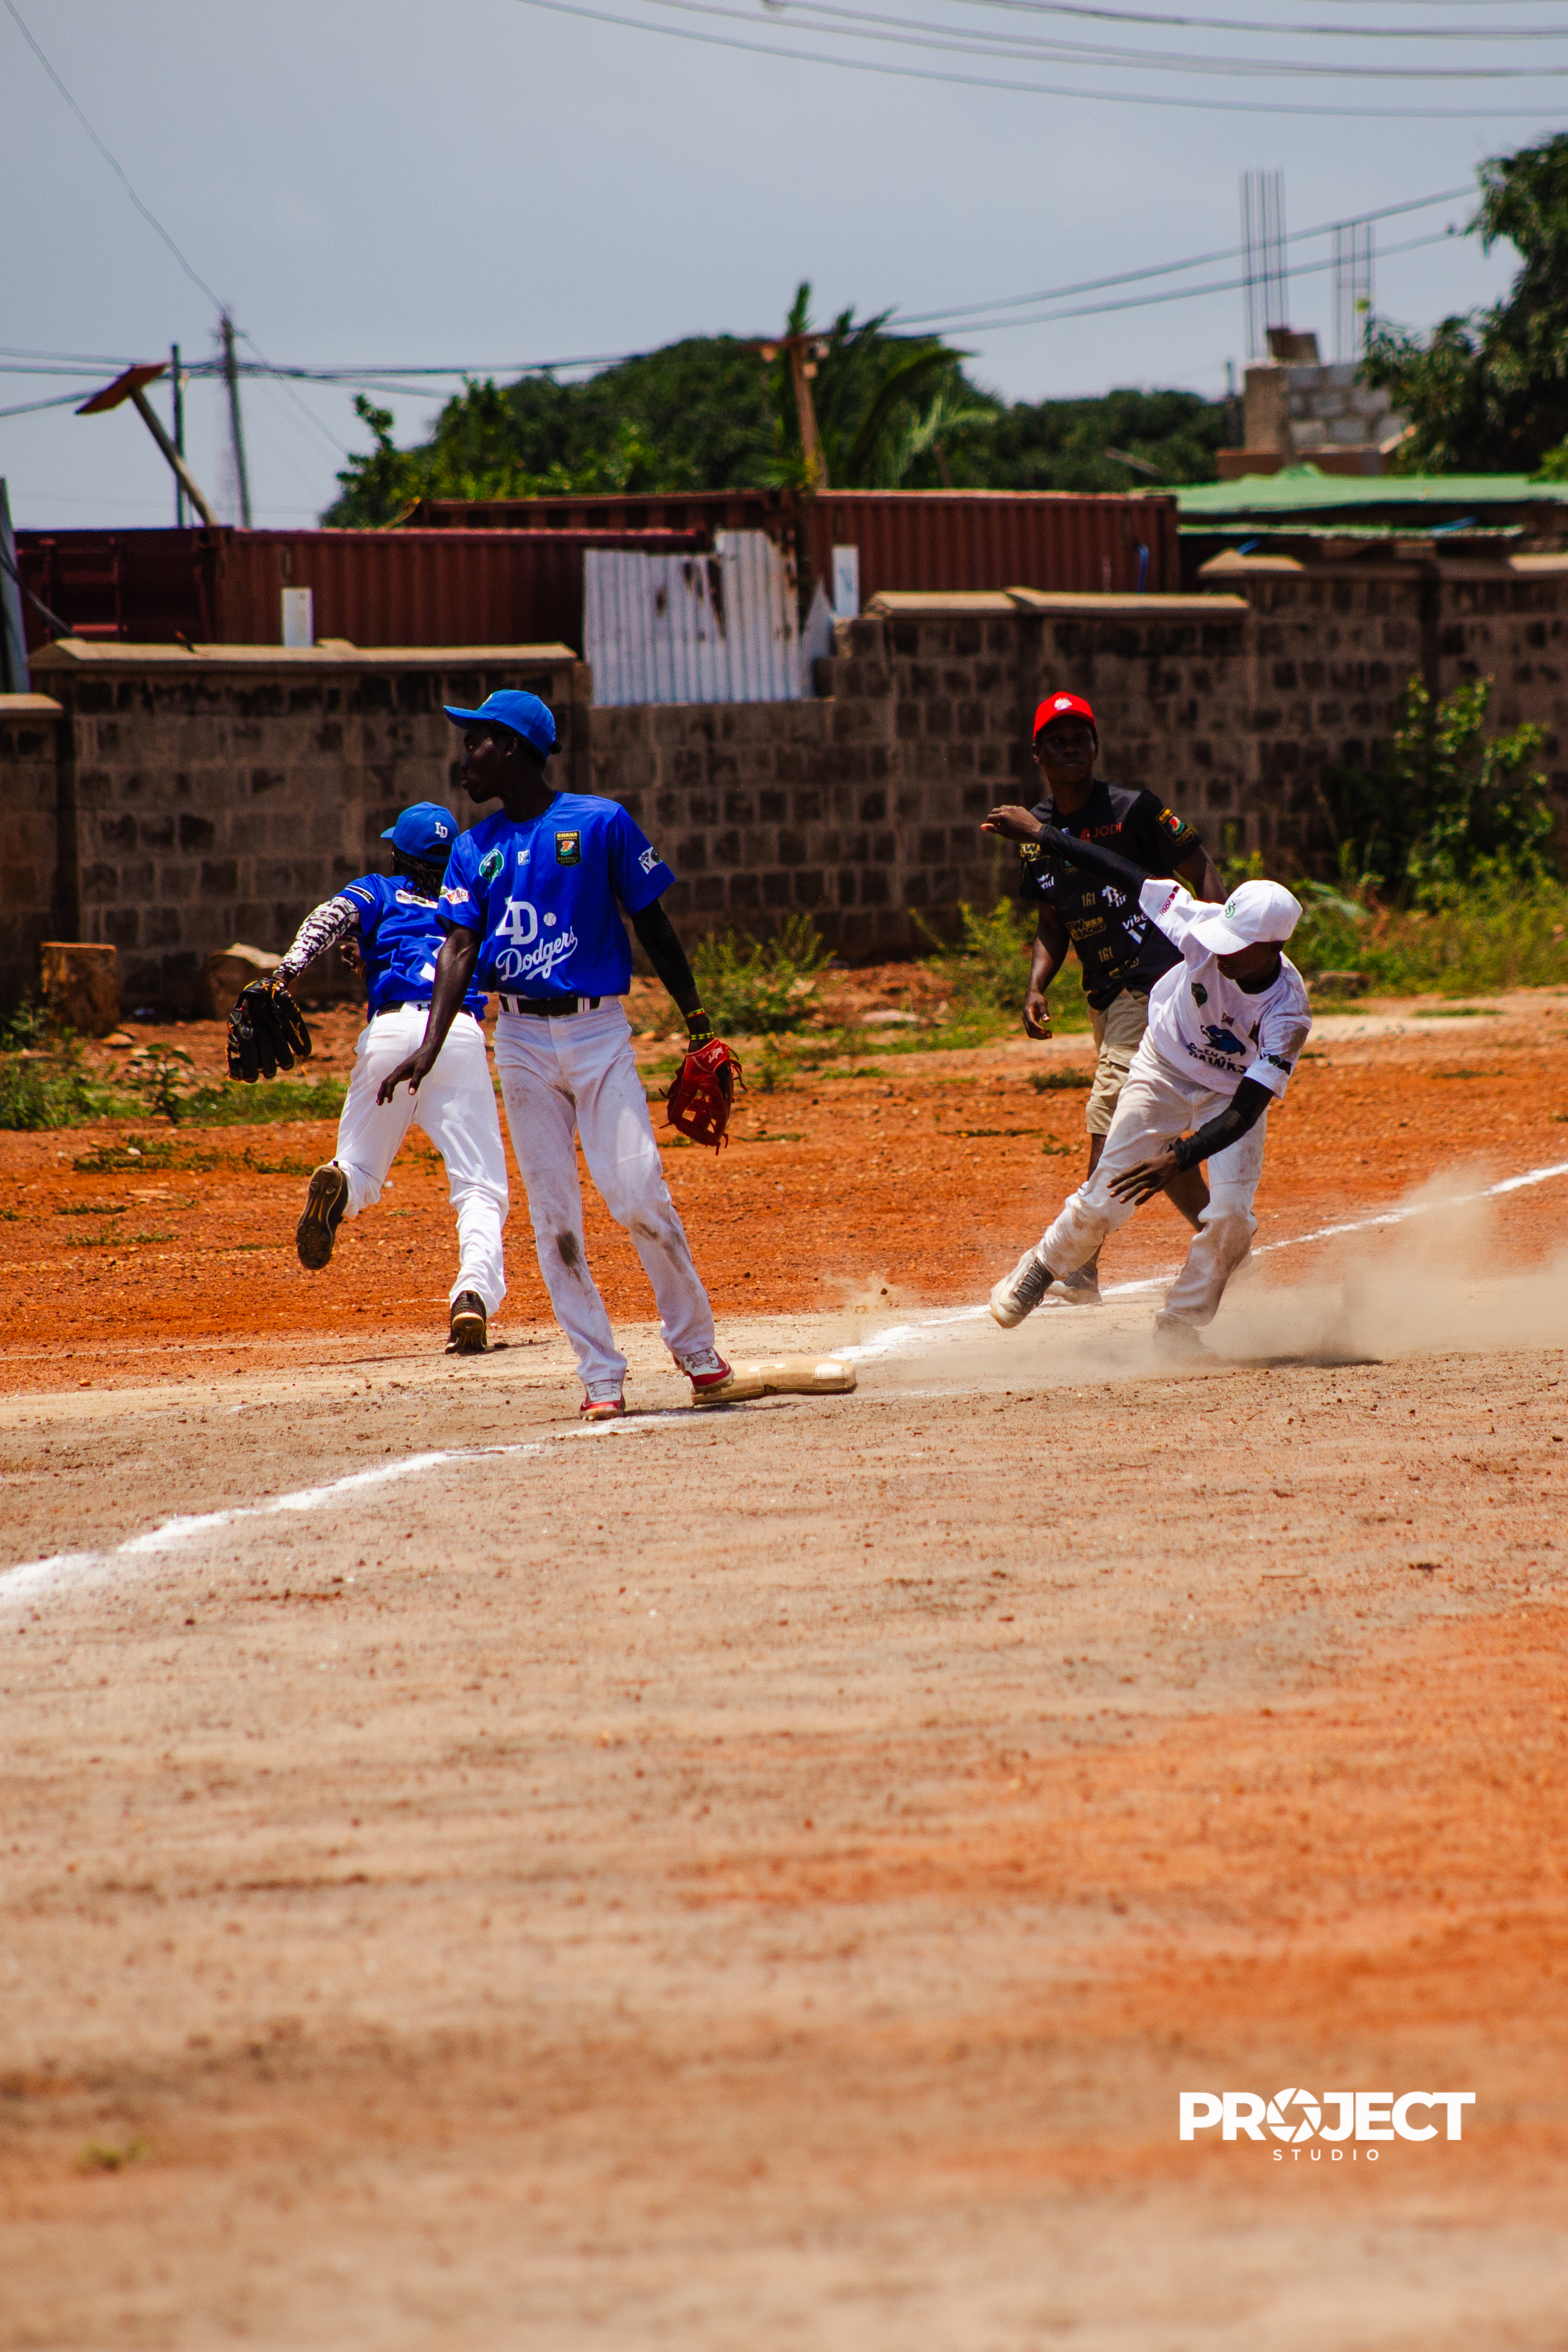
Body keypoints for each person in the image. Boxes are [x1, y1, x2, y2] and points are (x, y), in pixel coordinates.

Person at [377, 689, 731, 1422]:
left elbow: (654, 922)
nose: (463, 756)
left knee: (640, 1197)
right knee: (555, 1220)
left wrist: (697, 1024)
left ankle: (694, 1345)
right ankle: (599, 1369)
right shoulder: (474, 847)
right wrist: (429, 1045)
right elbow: (459, 948)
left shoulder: (599, 822)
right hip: (523, 1042)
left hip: (599, 1035)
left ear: (510, 746)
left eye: (476, 741)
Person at [981, 824, 1311, 1356]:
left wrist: (1179, 1158)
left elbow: (1248, 1109)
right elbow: (1123, 872)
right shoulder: (1202, 926)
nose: (1219, 953)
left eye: (1238, 947)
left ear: (1273, 946)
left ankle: (1180, 1324)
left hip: (1230, 1094)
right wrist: (1043, 835)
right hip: (1164, 1067)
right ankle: (1040, 1268)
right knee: (1107, 1197)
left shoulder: (1287, 1014)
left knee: (1230, 1220)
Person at [993, 691, 1223, 1305]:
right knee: (1155, 1127)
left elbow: (1199, 865)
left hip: (1155, 982)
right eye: (1058, 738)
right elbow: (1053, 920)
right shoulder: (1035, 832)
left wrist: (1214, 940)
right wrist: (1037, 983)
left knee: (1113, 1107)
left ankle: (1080, 1264)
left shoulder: (1132, 809)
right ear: (1038, 752)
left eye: (1081, 736)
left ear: (1096, 747)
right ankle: (1219, 1239)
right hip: (1105, 994)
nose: (1071, 746)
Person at [282, 801, 509, 1356]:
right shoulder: (470, 895)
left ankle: (341, 1183)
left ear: (397, 854)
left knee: (360, 1165)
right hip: (454, 1033)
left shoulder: (380, 889)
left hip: (389, 1033)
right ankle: (472, 1295)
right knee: (478, 1184)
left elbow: (327, 917)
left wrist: (285, 973)